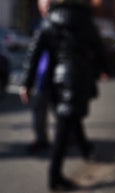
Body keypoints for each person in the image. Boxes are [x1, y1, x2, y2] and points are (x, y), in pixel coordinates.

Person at [19, 0, 109, 190]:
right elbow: (99, 48)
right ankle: (55, 176)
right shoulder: (85, 19)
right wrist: (103, 69)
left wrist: (26, 84)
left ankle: (78, 156)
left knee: (68, 120)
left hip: (57, 81)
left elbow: (34, 53)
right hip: (79, 79)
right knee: (66, 123)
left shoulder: (49, 21)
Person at [24, 0, 52, 154]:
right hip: (43, 76)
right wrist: (27, 83)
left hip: (55, 77)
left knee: (63, 113)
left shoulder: (52, 24)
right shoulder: (42, 25)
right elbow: (33, 57)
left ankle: (71, 139)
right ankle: (42, 139)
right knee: (39, 109)